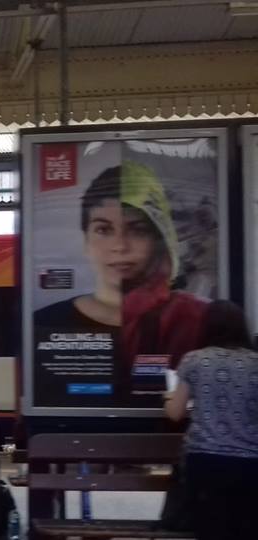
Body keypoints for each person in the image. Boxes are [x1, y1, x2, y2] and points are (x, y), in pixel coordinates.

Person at [35, 160, 209, 396]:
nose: (120, 246)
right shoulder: (44, 322)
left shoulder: (196, 319)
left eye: (137, 229)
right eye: (104, 230)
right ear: (85, 241)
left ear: (159, 239)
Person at [164, 300, 258, 540]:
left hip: (205, 462)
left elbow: (175, 413)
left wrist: (168, 397)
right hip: (250, 463)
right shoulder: (254, 363)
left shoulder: (195, 360)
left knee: (211, 529)